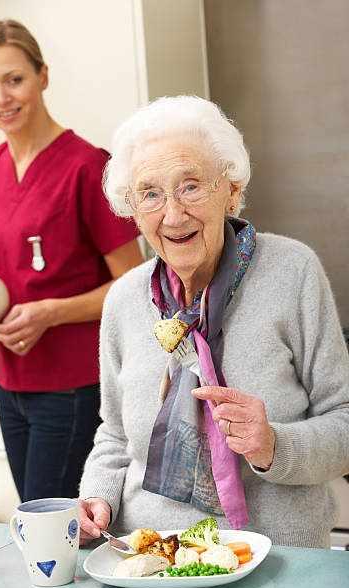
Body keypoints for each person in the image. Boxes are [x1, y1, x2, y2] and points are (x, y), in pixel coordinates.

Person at [77, 95, 349, 548]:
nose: (173, 214)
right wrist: (97, 498)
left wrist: (273, 445)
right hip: (153, 554)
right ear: (134, 210)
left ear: (232, 190)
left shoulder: (293, 272)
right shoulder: (124, 299)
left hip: (274, 553)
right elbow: (115, 433)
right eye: (150, 194)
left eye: (190, 186)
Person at [0, 19, 143, 503]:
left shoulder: (87, 166)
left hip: (72, 387)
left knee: (54, 533)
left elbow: (137, 284)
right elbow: (6, 273)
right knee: (40, 531)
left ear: (43, 75)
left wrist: (50, 312)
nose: (1, 98)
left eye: (13, 79)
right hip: (8, 383)